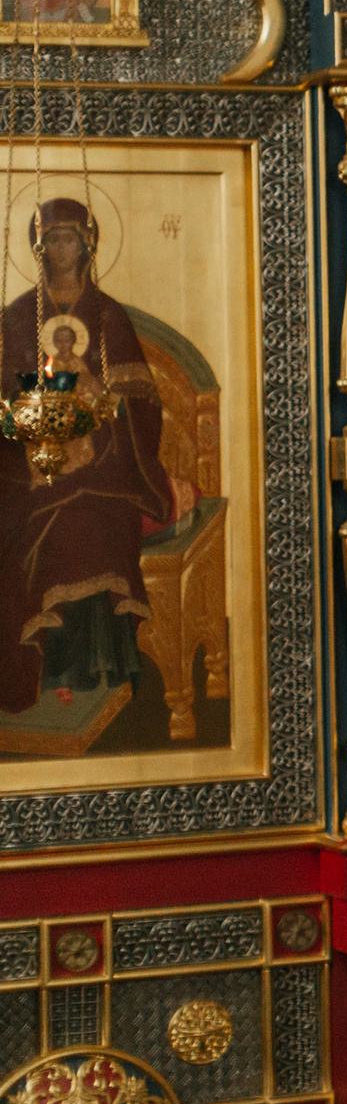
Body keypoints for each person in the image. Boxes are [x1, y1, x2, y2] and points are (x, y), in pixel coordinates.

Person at [0, 198, 186, 731]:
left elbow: (143, 402)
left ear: (88, 244)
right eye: (53, 239)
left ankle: (107, 664)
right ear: (39, 248)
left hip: (109, 457)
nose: (62, 248)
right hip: (35, 459)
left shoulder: (108, 315)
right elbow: (7, 398)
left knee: (100, 518)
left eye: (71, 238)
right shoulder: (17, 316)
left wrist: (98, 393)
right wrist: (31, 418)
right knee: (36, 521)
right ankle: (53, 665)